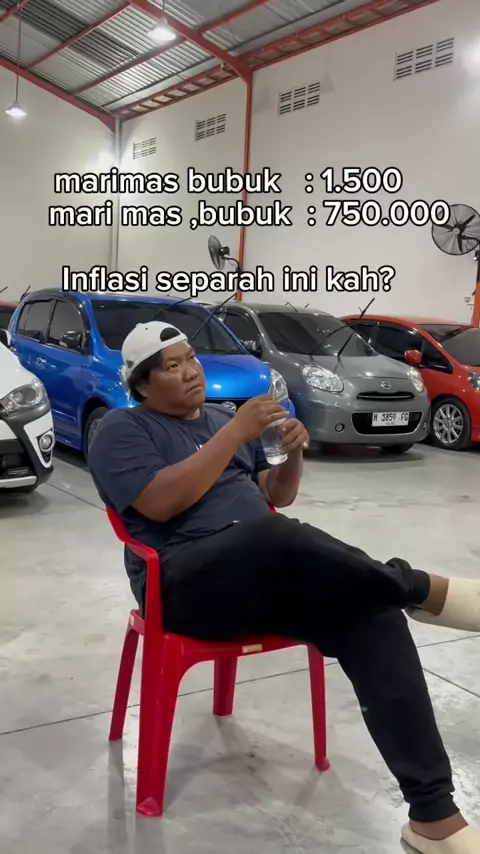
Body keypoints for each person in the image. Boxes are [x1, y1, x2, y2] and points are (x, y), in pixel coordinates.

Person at [88, 321, 480, 854]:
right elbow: (158, 504)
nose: (190, 372)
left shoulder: (221, 419)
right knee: (274, 536)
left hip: (266, 574)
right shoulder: (123, 429)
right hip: (185, 588)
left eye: (191, 359)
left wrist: (292, 452)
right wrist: (234, 434)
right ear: (141, 384)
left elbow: (276, 495)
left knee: (372, 615)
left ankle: (433, 815)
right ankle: (418, 588)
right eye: (172, 367)